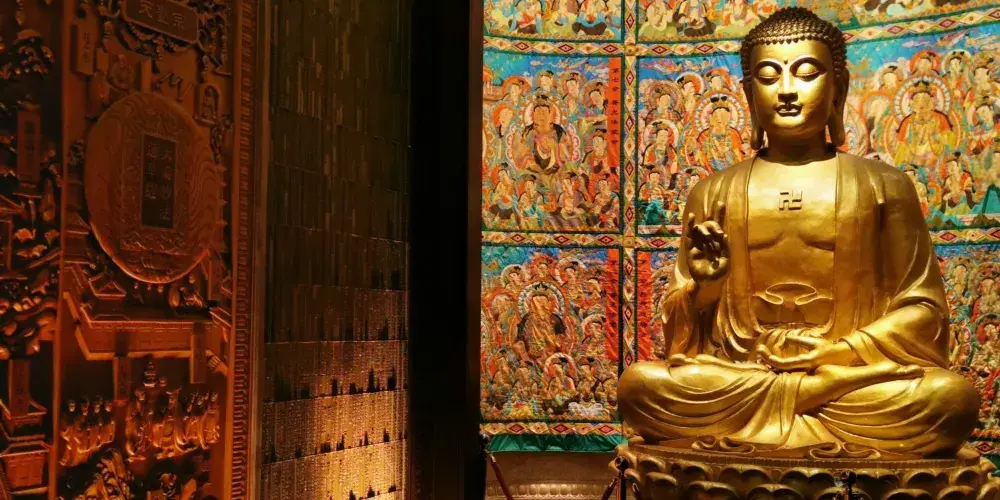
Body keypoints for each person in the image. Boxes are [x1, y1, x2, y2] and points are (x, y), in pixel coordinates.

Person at [617, 7, 978, 458]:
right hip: (745, 375)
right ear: (749, 94)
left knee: (949, 399)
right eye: (769, 77)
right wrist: (706, 286)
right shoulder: (713, 193)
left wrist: (835, 355)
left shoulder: (884, 186)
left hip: (846, 377)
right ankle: (805, 403)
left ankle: (799, 405)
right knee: (639, 387)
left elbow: (924, 312)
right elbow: (683, 338)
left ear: (838, 87)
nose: (787, 90)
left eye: (807, 73)